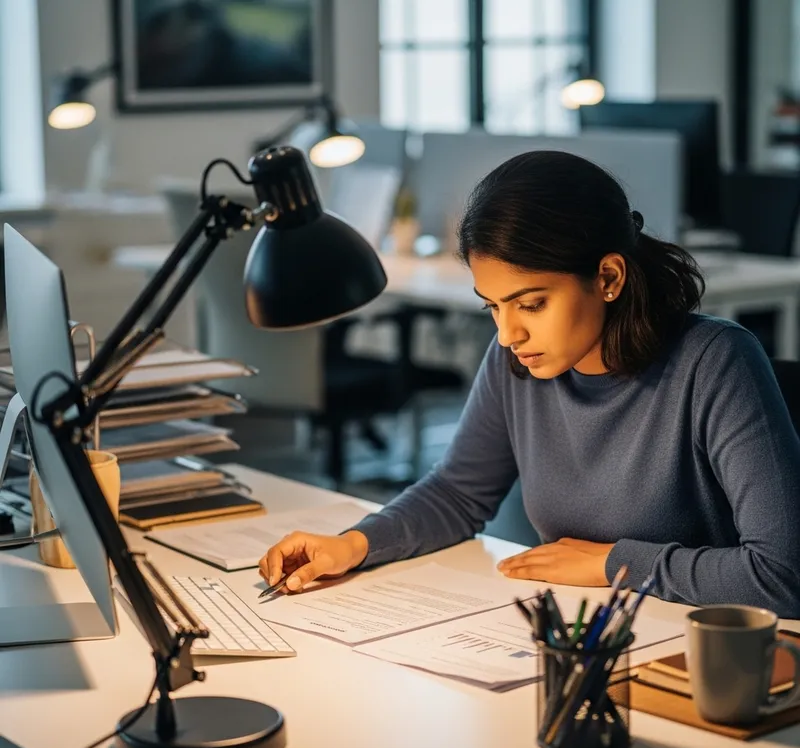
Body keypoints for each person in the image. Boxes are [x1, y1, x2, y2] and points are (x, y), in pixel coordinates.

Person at [259, 150, 800, 617]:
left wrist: (616, 563)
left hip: (697, 651)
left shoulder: (715, 362)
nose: (509, 332)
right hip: (579, 630)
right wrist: (354, 543)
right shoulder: (515, 359)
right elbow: (457, 493)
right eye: (493, 306)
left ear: (608, 278)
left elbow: (783, 574)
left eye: (532, 303)